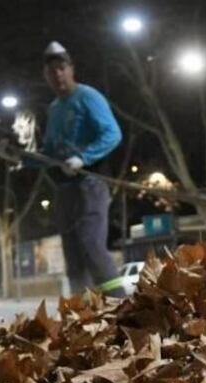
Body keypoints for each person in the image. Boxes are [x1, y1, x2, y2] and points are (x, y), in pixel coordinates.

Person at [40, 41, 125, 297]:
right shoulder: (54, 109)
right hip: (65, 190)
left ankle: (120, 302)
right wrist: (22, 158)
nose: (57, 74)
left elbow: (112, 133)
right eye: (51, 70)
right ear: (45, 75)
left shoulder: (87, 97)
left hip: (91, 185)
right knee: (72, 253)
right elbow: (50, 151)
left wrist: (84, 158)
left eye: (61, 68)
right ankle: (83, 313)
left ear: (71, 69)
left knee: (90, 243)